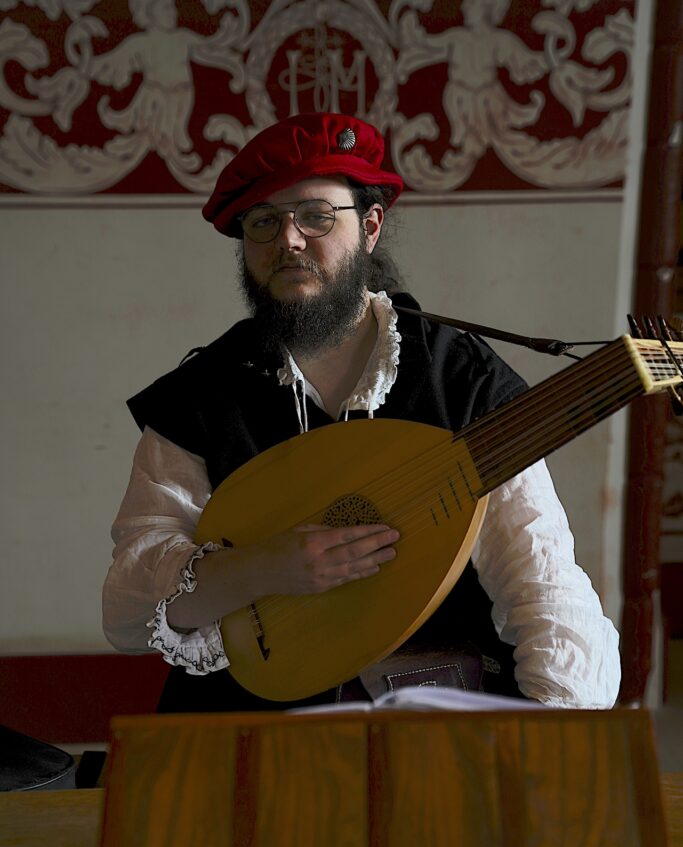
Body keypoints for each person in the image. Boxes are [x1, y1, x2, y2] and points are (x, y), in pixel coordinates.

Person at [102, 112, 620, 713]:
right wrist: (268, 567)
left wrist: (555, 747)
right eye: (263, 222)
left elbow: (543, 584)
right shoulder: (200, 395)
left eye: (315, 215)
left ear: (370, 227)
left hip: (435, 721)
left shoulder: (461, 379)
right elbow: (127, 611)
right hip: (255, 726)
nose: (288, 240)